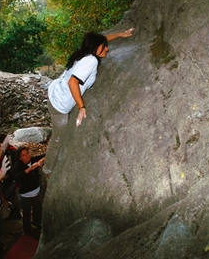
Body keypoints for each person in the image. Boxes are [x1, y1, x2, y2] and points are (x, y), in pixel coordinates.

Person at [45, 28, 135, 171]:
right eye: (104, 47)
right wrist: (81, 108)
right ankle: (47, 169)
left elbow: (99, 41)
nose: (107, 49)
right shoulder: (91, 60)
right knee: (58, 139)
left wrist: (119, 34)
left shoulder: (85, 52)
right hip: (59, 105)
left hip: (55, 90)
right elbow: (72, 82)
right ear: (95, 48)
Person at [13, 146, 45, 235]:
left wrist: (41, 161)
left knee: (38, 209)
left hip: (36, 191)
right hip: (25, 194)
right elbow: (17, 177)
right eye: (23, 155)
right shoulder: (17, 165)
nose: (27, 156)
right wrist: (30, 169)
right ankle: (27, 231)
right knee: (26, 213)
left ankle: (37, 224)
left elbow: (44, 155)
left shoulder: (33, 160)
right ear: (20, 158)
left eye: (27, 153)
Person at [0, 133, 22, 219]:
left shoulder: (11, 152)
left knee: (9, 195)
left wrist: (7, 176)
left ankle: (16, 213)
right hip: (7, 178)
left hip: (11, 179)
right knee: (9, 195)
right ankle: (15, 212)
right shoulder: (5, 151)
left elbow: (14, 166)